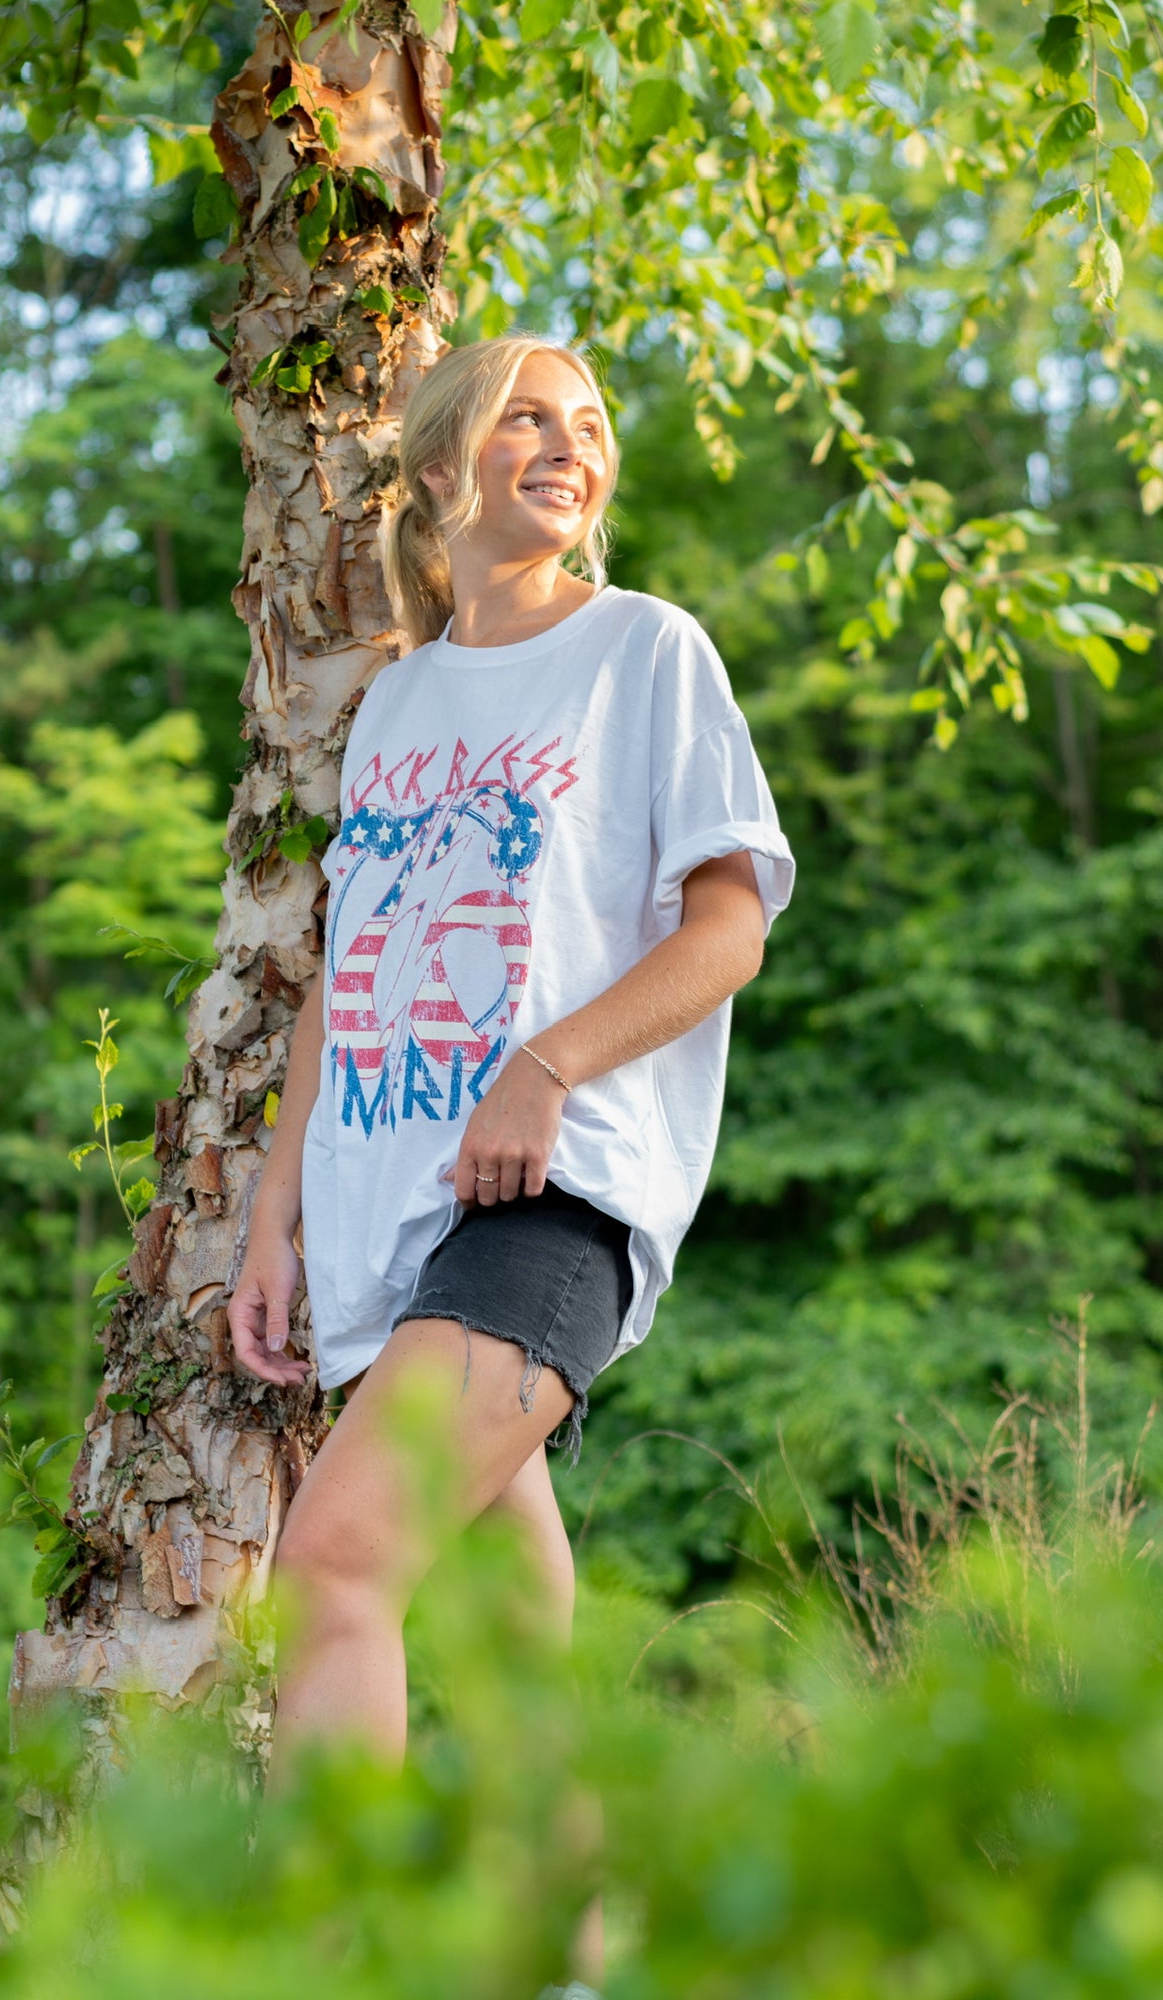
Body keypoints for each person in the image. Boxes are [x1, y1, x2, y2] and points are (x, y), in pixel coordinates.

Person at [228, 332, 794, 1797]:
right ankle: (571, 1956)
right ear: (435, 471)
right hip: (390, 1223)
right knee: (512, 1641)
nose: (568, 444)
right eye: (523, 418)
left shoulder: (640, 649)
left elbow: (727, 929)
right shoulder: (400, 703)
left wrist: (542, 1066)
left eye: (588, 424)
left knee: (336, 1565)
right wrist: (274, 1216)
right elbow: (345, 976)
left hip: (550, 1195)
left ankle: (332, 1948)